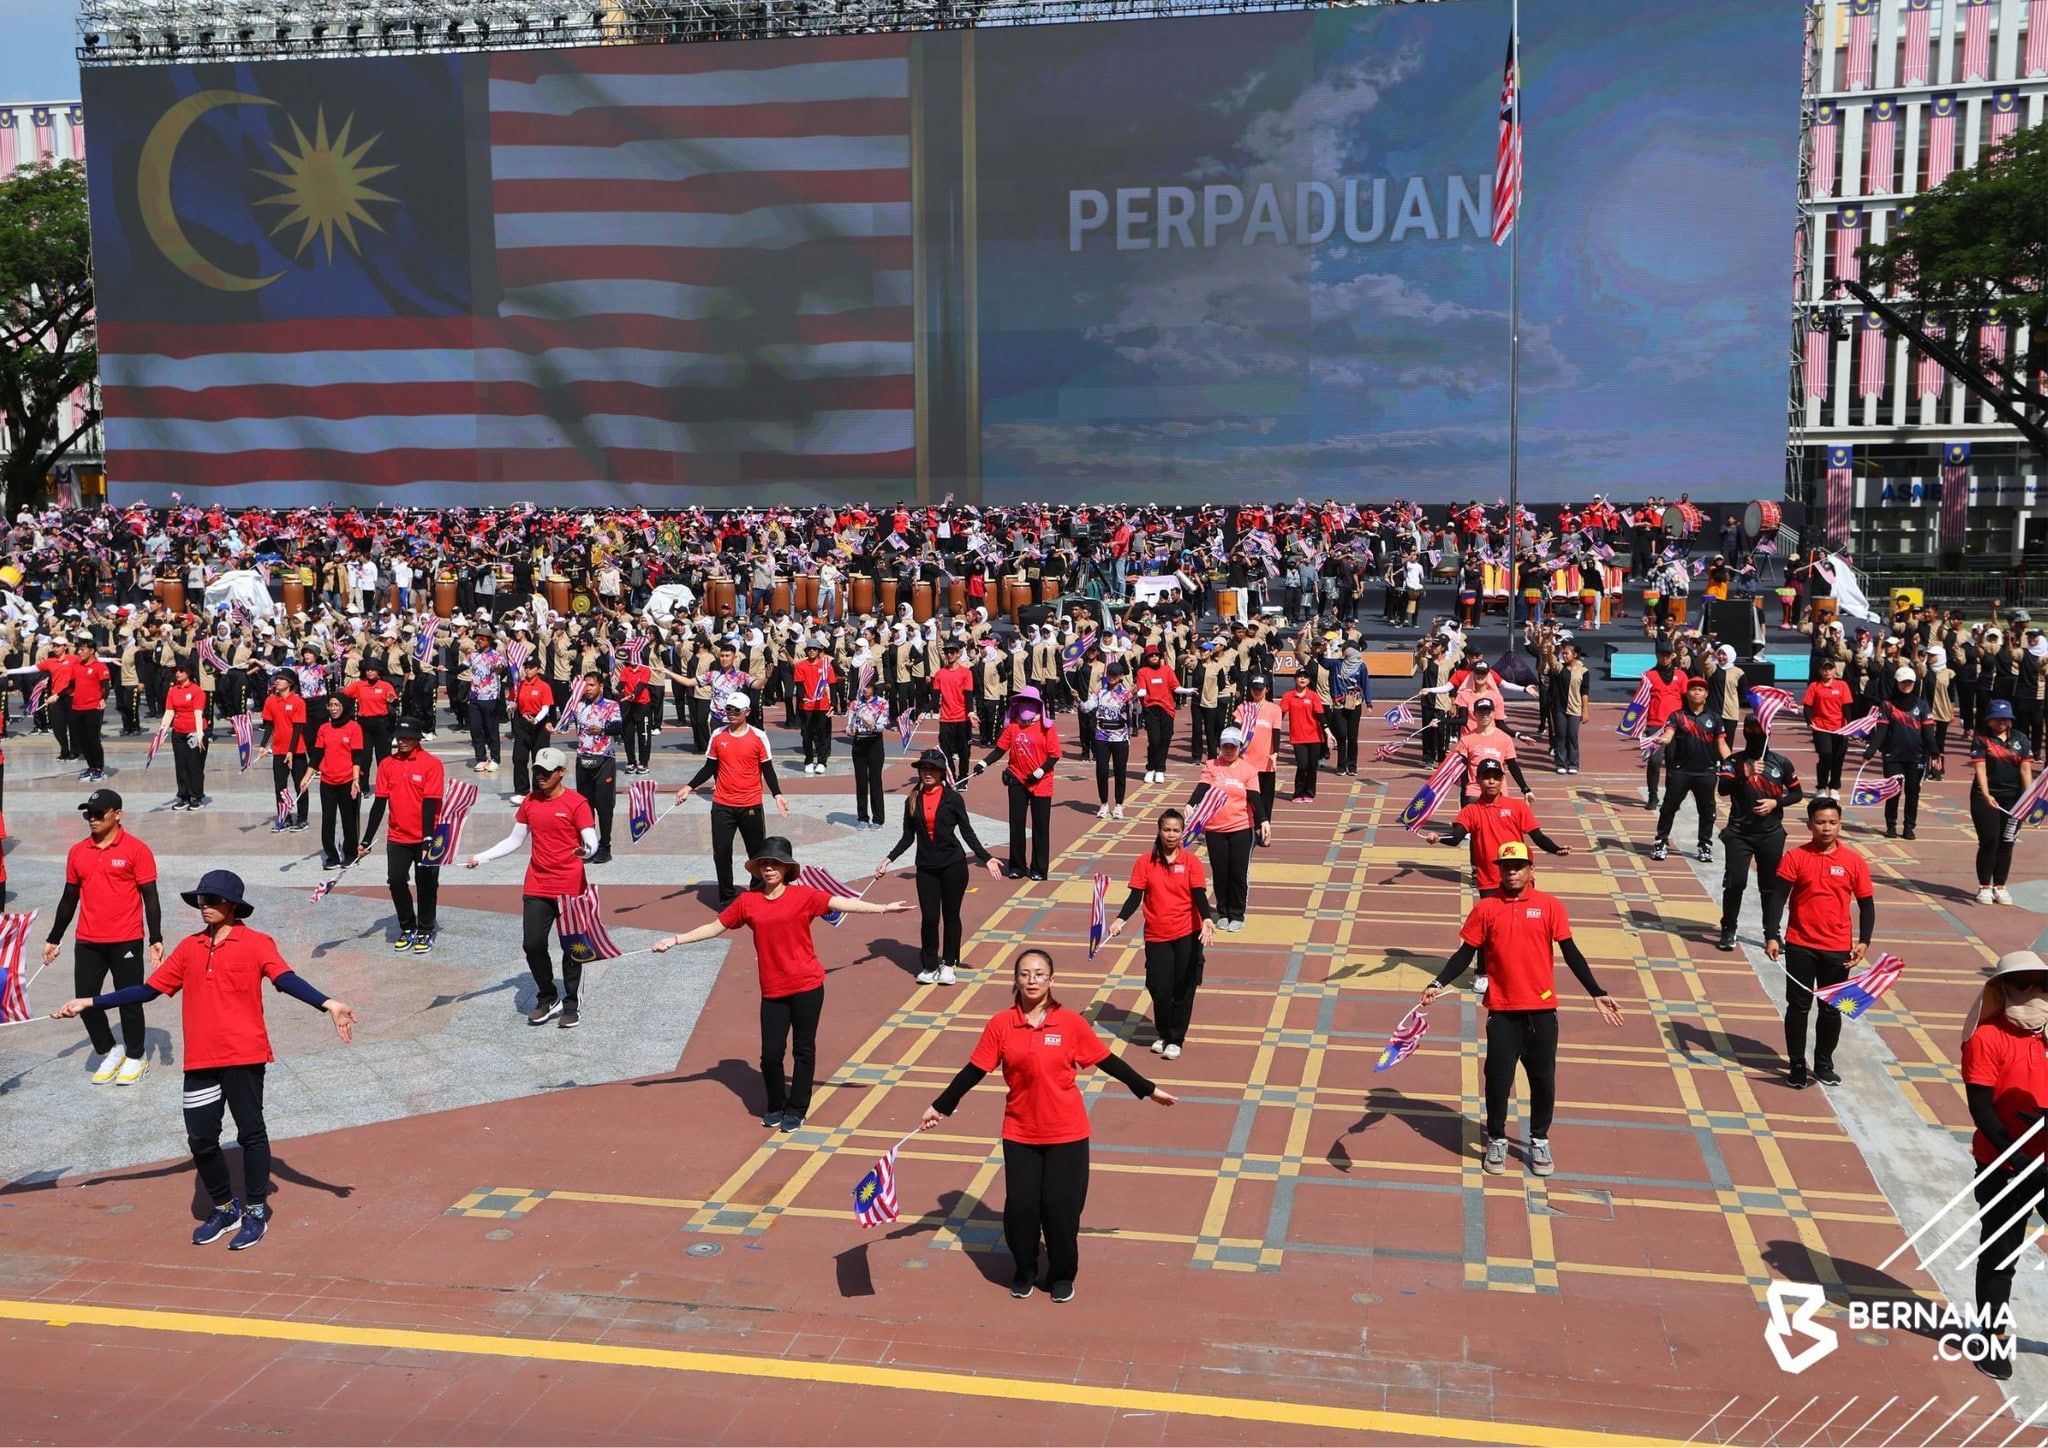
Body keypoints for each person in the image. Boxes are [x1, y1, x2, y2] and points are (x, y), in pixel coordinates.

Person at [49, 869, 357, 1251]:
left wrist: (329, 1004)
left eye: (212, 901)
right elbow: (147, 990)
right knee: (201, 1139)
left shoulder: (258, 943)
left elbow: (286, 978)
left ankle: (257, 1213)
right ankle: (226, 1208)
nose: (204, 907)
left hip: (245, 1055)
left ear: (232, 906)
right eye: (201, 900)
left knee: (251, 1134)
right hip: (200, 1060)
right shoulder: (190, 947)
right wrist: (90, 1002)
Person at [919, 948, 1177, 1301]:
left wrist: (1149, 1090)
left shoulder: (1070, 1023)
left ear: (1051, 980)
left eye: (1040, 974)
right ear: (1016, 979)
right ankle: (1024, 1268)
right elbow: (974, 1070)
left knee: (1061, 1208)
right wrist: (940, 1106)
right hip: (1021, 1131)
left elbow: (1108, 1061)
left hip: (1067, 1132)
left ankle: (1061, 1275)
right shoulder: (1001, 1024)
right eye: (1025, 974)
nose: (1032, 980)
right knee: (1022, 1208)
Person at [653, 836, 908, 1130]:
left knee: (803, 1050)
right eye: (764, 864)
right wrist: (675, 940)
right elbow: (714, 927)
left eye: (774, 863)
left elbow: (841, 903)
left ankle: (797, 1108)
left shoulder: (805, 897)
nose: (769, 868)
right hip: (773, 989)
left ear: (787, 869)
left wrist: (883, 908)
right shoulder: (748, 902)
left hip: (807, 985)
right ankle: (776, 1104)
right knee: (771, 1055)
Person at [1421, 842, 1624, 1176]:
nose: (1511, 871)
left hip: (1541, 1012)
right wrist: (1438, 983)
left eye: (1518, 865)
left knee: (1543, 1079)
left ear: (1532, 870)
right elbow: (1464, 953)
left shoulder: (1550, 907)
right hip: (1502, 1012)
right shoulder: (1486, 909)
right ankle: (1498, 1139)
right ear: (1499, 870)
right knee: (1497, 1080)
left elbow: (1571, 952)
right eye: (1506, 866)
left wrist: (1595, 992)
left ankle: (1539, 1139)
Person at [1958, 950, 2048, 1382]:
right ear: (2004, 989)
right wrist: (2021, 1159)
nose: (2037, 994)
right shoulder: (1986, 1038)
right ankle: (1991, 1340)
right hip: (2004, 1168)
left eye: (2044, 985)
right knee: (2000, 1255)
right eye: (2026, 984)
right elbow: (1982, 1109)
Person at [466, 747, 600, 1028]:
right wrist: (481, 857)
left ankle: (572, 1002)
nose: (540, 776)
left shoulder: (577, 803)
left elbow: (591, 839)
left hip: (570, 887)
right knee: (532, 944)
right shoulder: (530, 802)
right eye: (537, 770)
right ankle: (547, 995)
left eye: (546, 772)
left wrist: (586, 852)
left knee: (572, 947)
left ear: (561, 773)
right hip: (538, 883)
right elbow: (514, 840)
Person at [41, 788, 163, 1086]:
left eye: (99, 814)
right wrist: (54, 938)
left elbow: (151, 898)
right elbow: (69, 897)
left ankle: (136, 1055)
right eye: (88, 814)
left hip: (126, 939)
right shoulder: (78, 852)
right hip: (88, 940)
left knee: (129, 1002)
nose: (92, 819)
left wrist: (155, 938)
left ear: (117, 814)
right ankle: (109, 1049)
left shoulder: (137, 850)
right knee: (84, 1001)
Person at [1764, 797, 1875, 1090]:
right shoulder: (1795, 857)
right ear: (1810, 824)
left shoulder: (1854, 862)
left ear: (1840, 823)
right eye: (1821, 822)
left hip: (1838, 948)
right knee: (1798, 1007)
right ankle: (1797, 1064)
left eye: (1833, 822)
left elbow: (1867, 905)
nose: (1827, 828)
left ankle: (1824, 1062)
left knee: (1831, 1009)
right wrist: (1771, 934)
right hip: (1800, 944)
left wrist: (1864, 942)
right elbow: (1778, 898)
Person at [880, 748, 1002, 985]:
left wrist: (985, 857)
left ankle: (948, 964)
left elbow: (967, 831)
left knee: (951, 917)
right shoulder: (912, 800)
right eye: (924, 768)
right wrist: (888, 859)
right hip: (926, 867)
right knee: (929, 918)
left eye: (932, 769)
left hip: (953, 866)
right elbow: (908, 837)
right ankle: (929, 965)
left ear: (941, 773)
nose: (927, 773)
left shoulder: (953, 798)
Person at [1105, 810, 1215, 1058]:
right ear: (1159, 830)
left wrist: (1207, 918)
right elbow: (1136, 896)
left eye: (1176, 830)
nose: (1171, 835)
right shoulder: (1145, 861)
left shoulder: (1191, 862)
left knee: (1184, 987)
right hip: (1157, 935)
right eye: (1167, 829)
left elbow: (1198, 893)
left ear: (1182, 832)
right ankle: (1163, 1032)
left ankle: (1176, 1038)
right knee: (1159, 987)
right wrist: (1120, 919)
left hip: (1188, 933)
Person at [679, 691, 789, 904]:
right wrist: (689, 786)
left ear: (746, 712)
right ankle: (727, 898)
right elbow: (709, 767)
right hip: (722, 804)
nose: (731, 713)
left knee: (756, 853)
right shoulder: (718, 735)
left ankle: (758, 893)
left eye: (736, 710)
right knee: (721, 852)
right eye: (728, 709)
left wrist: (777, 794)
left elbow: (767, 768)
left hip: (750, 804)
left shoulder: (758, 736)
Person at [1714, 713, 1802, 953]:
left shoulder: (1781, 763)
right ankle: (1728, 928)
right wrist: (1746, 774)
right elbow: (1722, 789)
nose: (1755, 734)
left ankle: (1771, 933)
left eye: (1760, 729)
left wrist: (1776, 803)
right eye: (1751, 728)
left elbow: (1797, 794)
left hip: (1770, 834)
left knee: (1769, 886)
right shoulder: (1733, 762)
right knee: (1736, 882)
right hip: (1739, 833)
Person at [358, 718, 446, 953]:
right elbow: (379, 804)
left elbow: (430, 803)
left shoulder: (432, 764)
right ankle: (408, 927)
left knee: (426, 884)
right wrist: (366, 839)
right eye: (400, 737)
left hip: (428, 836)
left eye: (408, 738)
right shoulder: (387, 764)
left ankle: (426, 929)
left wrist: (428, 837)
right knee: (396, 881)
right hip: (398, 835)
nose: (402, 742)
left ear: (418, 738)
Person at [1424, 759, 1570, 892]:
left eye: (1497, 777)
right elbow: (1456, 837)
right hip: (1489, 882)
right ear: (1477, 780)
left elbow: (1537, 836)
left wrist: (1556, 849)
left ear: (1502, 780)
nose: (1492, 781)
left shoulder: (1517, 806)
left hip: (1519, 879)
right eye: (1487, 777)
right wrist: (1438, 838)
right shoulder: (1470, 811)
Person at [1185, 726, 1268, 931]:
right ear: (1220, 747)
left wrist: (1263, 820)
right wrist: (1190, 803)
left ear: (1239, 747)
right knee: (1220, 872)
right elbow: (1203, 787)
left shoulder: (1248, 770)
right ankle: (1223, 912)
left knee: (1237, 873)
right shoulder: (1212, 765)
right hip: (1215, 829)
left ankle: (1237, 913)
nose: (1229, 750)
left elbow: (1254, 798)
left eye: (1233, 746)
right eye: (1226, 746)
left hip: (1241, 827)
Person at [978, 685, 1062, 882]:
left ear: (1038, 705)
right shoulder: (1013, 727)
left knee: (1040, 826)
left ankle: (1039, 868)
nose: (1026, 705)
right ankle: (1016, 866)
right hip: (1017, 778)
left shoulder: (1046, 727)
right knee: (1016, 824)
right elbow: (999, 750)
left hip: (1041, 781)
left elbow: (1054, 754)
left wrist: (1040, 771)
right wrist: (983, 763)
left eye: (1030, 702)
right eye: (1023, 701)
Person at [1648, 677, 1730, 862]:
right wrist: (1662, 740)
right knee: (1669, 807)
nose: (1696, 693)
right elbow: (1669, 734)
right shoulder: (1677, 716)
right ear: (1687, 693)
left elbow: (1721, 743)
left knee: (1707, 811)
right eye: (1693, 689)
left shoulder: (1714, 718)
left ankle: (1704, 845)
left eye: (1700, 690)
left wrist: (1732, 762)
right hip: (1680, 771)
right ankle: (1661, 842)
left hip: (1706, 772)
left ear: (1706, 694)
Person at [1970, 699, 2033, 905]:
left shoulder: (2021, 739)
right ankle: (1984, 887)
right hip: (1986, 797)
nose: (2001, 722)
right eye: (1997, 718)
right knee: (1990, 840)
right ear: (1989, 720)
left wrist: (2029, 795)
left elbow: (2025, 769)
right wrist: (1987, 794)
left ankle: (2000, 886)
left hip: (2014, 799)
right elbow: (1981, 769)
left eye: (2005, 718)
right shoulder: (1981, 740)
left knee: (2007, 842)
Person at [563, 669, 626, 864]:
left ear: (601, 687)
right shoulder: (578, 705)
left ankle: (605, 846)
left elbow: (618, 727)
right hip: (583, 759)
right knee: (584, 806)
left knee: (605, 806)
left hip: (604, 760)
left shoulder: (611, 705)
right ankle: (589, 846)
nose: (587, 689)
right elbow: (563, 723)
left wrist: (603, 729)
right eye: (585, 685)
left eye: (591, 685)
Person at [1872, 664, 1936, 840]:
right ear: (1897, 683)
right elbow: (1881, 731)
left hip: (1917, 757)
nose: (1906, 685)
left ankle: (1909, 826)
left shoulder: (1922, 706)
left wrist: (1936, 753)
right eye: (1903, 682)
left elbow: (1928, 733)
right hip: (1893, 756)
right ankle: (1891, 825)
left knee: (1913, 792)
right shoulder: (1887, 705)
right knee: (1893, 791)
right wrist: (1870, 751)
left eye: (1910, 682)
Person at [311, 694, 364, 871]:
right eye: (330, 705)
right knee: (328, 819)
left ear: (344, 707)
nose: (333, 708)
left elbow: (357, 756)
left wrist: (356, 779)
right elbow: (317, 754)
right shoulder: (324, 728)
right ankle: (332, 855)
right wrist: (306, 776)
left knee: (349, 819)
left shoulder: (354, 728)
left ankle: (350, 854)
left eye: (336, 705)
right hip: (328, 781)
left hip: (348, 780)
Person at [1637, 644, 1691, 811]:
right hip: (1655, 724)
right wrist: (1637, 725)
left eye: (1668, 654)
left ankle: (1671, 797)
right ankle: (1652, 795)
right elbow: (1639, 701)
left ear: (1673, 655)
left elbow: (1688, 699)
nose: (1665, 657)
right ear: (1657, 656)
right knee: (1654, 761)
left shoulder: (1681, 675)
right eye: (1662, 654)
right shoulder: (1648, 675)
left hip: (1676, 725)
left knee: (1673, 763)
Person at [1080, 660, 1135, 820]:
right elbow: (1086, 707)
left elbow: (1136, 710)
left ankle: (1119, 804)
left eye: (1115, 674)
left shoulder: (1126, 693)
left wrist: (1134, 697)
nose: (1112, 677)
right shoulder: (1099, 692)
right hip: (1102, 736)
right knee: (1102, 771)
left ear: (1120, 676)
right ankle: (1104, 803)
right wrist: (1078, 699)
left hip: (1120, 736)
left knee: (1120, 771)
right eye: (1110, 674)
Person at [261, 671, 312, 832]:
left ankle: (302, 818)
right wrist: (263, 745)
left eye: (282, 679)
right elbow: (269, 725)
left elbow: (298, 728)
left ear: (290, 683)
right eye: (277, 679)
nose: (278, 681)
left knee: (300, 785)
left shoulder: (298, 702)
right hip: (278, 750)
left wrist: (291, 751)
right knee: (280, 786)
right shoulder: (270, 701)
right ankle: (284, 817)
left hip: (296, 750)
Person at [1802, 655, 1855, 800]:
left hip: (1839, 728)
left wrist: (1850, 725)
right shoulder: (1814, 687)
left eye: (1829, 668)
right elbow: (1807, 707)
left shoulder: (1842, 685)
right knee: (1826, 756)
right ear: (1820, 671)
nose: (1827, 672)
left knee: (1838, 759)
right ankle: (1821, 787)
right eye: (1824, 669)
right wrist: (1809, 722)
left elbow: (1847, 708)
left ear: (1834, 670)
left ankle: (1834, 787)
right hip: (1821, 728)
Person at [1281, 670, 1335, 802]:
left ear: (1309, 681)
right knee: (1302, 765)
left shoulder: (1313, 696)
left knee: (1312, 766)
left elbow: (1321, 716)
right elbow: (1280, 715)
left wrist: (1328, 734)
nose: (1302, 679)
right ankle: (1298, 793)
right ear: (1295, 679)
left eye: (1305, 677)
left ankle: (1309, 793)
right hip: (1298, 737)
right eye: (1299, 677)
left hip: (1315, 737)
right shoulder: (1288, 696)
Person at [846, 677, 893, 829]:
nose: (865, 689)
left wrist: (871, 724)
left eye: (868, 686)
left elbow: (883, 725)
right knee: (860, 781)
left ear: (873, 687)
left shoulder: (882, 703)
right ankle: (862, 817)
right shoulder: (855, 704)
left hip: (875, 743)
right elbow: (849, 726)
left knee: (875, 780)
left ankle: (878, 818)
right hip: (859, 743)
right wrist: (851, 730)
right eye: (862, 686)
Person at [64, 635, 112, 782]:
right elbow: (70, 685)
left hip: (93, 707)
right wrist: (57, 695)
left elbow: (105, 687)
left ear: (91, 651)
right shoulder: (76, 666)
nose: (80, 652)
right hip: (77, 707)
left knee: (93, 739)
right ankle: (91, 766)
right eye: (79, 649)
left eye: (83, 649)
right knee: (81, 739)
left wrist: (103, 699)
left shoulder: (100, 667)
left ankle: (99, 768)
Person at [164, 662, 210, 811]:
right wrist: (161, 731)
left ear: (188, 673)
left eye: (181, 671)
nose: (177, 673)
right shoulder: (173, 690)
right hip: (178, 731)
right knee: (181, 765)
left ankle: (196, 796)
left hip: (194, 732)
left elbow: (198, 713)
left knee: (194, 765)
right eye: (176, 671)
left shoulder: (197, 691)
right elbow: (169, 712)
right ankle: (183, 796)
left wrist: (199, 734)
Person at [509, 654, 554, 802]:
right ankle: (522, 791)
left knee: (539, 760)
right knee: (519, 758)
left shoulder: (544, 686)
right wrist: (512, 706)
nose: (528, 671)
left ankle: (539, 791)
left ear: (538, 669)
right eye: (526, 668)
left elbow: (546, 707)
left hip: (538, 725)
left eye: (531, 668)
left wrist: (537, 720)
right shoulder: (519, 685)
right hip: (523, 723)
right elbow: (515, 701)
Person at [1133, 644, 1180, 782]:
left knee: (1165, 738)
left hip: (1167, 708)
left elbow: (1175, 686)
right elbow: (1142, 688)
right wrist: (1138, 692)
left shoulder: (1167, 670)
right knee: (1154, 739)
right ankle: (1150, 768)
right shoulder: (1142, 671)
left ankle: (1160, 769)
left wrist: (1187, 691)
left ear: (1160, 657)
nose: (1154, 657)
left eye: (1156, 655)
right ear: (1146, 658)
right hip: (1151, 708)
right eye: (1151, 655)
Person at [794, 633, 836, 774]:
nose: (812, 651)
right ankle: (808, 760)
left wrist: (833, 704)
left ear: (819, 651)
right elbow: (799, 686)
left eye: (814, 649)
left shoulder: (826, 666)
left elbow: (832, 684)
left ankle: (822, 761)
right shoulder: (801, 666)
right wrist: (801, 699)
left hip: (822, 705)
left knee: (823, 734)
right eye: (809, 649)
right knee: (806, 735)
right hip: (807, 706)